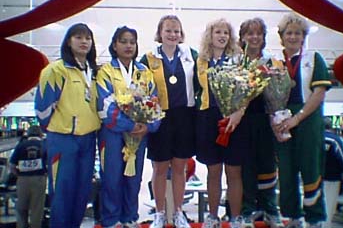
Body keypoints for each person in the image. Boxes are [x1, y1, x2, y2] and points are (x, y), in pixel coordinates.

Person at [35, 23, 101, 228]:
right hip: (63, 139)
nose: (84, 42)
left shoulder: (94, 72)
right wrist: (61, 127)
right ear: (68, 41)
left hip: (89, 139)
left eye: (87, 38)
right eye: (78, 37)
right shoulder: (55, 70)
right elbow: (42, 110)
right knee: (63, 192)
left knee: (82, 193)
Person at [95, 26, 160, 228]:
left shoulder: (144, 72)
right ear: (114, 45)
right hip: (112, 134)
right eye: (123, 41)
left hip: (139, 135)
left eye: (132, 41)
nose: (128, 45)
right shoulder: (106, 71)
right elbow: (104, 105)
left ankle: (130, 218)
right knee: (112, 178)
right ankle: (111, 220)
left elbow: (155, 102)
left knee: (134, 178)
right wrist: (130, 125)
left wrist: (149, 126)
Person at [274, 13, 332, 228]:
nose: (292, 37)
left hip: (307, 120)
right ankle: (291, 217)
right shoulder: (275, 63)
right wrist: (276, 119)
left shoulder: (314, 58)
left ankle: (314, 217)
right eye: (288, 33)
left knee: (311, 169)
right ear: (281, 36)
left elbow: (319, 93)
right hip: (282, 122)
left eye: (297, 33)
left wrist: (297, 118)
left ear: (303, 36)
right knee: (286, 171)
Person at [140, 15, 197, 228]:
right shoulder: (148, 58)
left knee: (180, 167)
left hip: (184, 116)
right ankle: (160, 213)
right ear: (160, 33)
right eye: (168, 30)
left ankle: (179, 212)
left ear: (181, 34)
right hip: (160, 118)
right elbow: (140, 89)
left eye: (177, 31)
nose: (173, 34)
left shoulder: (191, 55)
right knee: (160, 168)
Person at [195, 18, 247, 228]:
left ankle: (235, 218)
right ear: (210, 35)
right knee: (213, 170)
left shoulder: (238, 59)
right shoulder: (200, 60)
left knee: (233, 171)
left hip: (233, 119)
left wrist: (239, 113)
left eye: (226, 32)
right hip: (208, 119)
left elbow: (247, 90)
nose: (222, 36)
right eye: (218, 32)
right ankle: (213, 217)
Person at [236, 17, 283, 228]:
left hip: (266, 121)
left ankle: (270, 209)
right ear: (242, 37)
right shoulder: (236, 63)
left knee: (267, 166)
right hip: (242, 122)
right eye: (249, 33)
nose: (254, 37)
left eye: (258, 33)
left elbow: (281, 92)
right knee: (246, 167)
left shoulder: (272, 62)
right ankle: (248, 210)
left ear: (263, 38)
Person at [9, 125, 47, 228]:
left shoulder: (21, 145)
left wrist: (18, 174)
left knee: (21, 207)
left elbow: (12, 165)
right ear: (40, 134)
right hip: (39, 179)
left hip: (23, 179)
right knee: (37, 208)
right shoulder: (44, 145)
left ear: (28, 134)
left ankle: (22, 226)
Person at [323, 118, 343, 228]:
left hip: (316, 177)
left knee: (316, 204)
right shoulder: (335, 140)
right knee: (329, 206)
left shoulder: (315, 138)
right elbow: (341, 159)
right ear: (331, 127)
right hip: (332, 178)